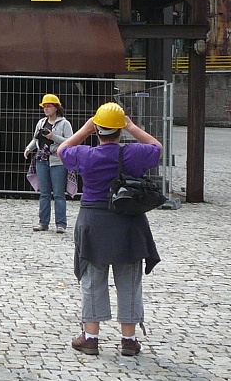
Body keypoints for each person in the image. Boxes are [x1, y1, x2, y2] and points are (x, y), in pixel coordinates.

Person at [58, 102, 162, 356]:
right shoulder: (133, 154)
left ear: (98, 130)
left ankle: (91, 337)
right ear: (120, 130)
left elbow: (62, 150)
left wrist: (85, 129)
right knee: (129, 281)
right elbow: (157, 147)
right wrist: (131, 126)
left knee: (93, 280)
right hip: (128, 223)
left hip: (94, 223)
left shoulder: (86, 155)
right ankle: (129, 340)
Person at [23, 94, 74, 234]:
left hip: (58, 161)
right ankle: (43, 222)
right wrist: (29, 148)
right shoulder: (41, 123)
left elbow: (70, 141)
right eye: (44, 106)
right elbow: (35, 139)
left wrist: (53, 137)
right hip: (42, 160)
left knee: (58, 194)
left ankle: (61, 224)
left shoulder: (65, 124)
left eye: (49, 106)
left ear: (56, 108)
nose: (46, 109)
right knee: (44, 193)